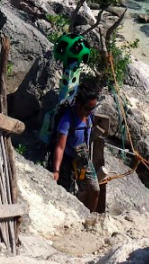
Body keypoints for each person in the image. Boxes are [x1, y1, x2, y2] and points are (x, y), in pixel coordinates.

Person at [51, 81, 101, 211]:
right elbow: (60, 147)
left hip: (83, 159)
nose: (90, 112)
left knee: (95, 190)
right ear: (79, 104)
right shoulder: (67, 120)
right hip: (68, 160)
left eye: (93, 108)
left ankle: (89, 217)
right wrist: (56, 171)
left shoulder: (89, 116)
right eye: (88, 108)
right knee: (67, 195)